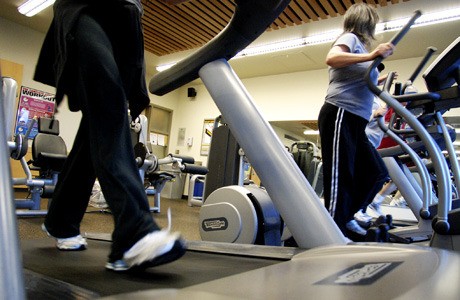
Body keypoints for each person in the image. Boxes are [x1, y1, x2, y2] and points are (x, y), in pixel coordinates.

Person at [34, 0, 186, 272]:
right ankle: (134, 231)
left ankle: (61, 220)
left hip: (124, 19)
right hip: (84, 9)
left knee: (96, 126)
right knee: (109, 100)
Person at [318, 3, 395, 241]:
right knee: (341, 175)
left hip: (356, 121)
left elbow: (356, 78)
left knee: (375, 172)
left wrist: (379, 77)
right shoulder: (350, 38)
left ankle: (347, 217)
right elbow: (332, 58)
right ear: (366, 23)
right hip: (340, 112)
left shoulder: (359, 49)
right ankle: (330, 232)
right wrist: (372, 55)